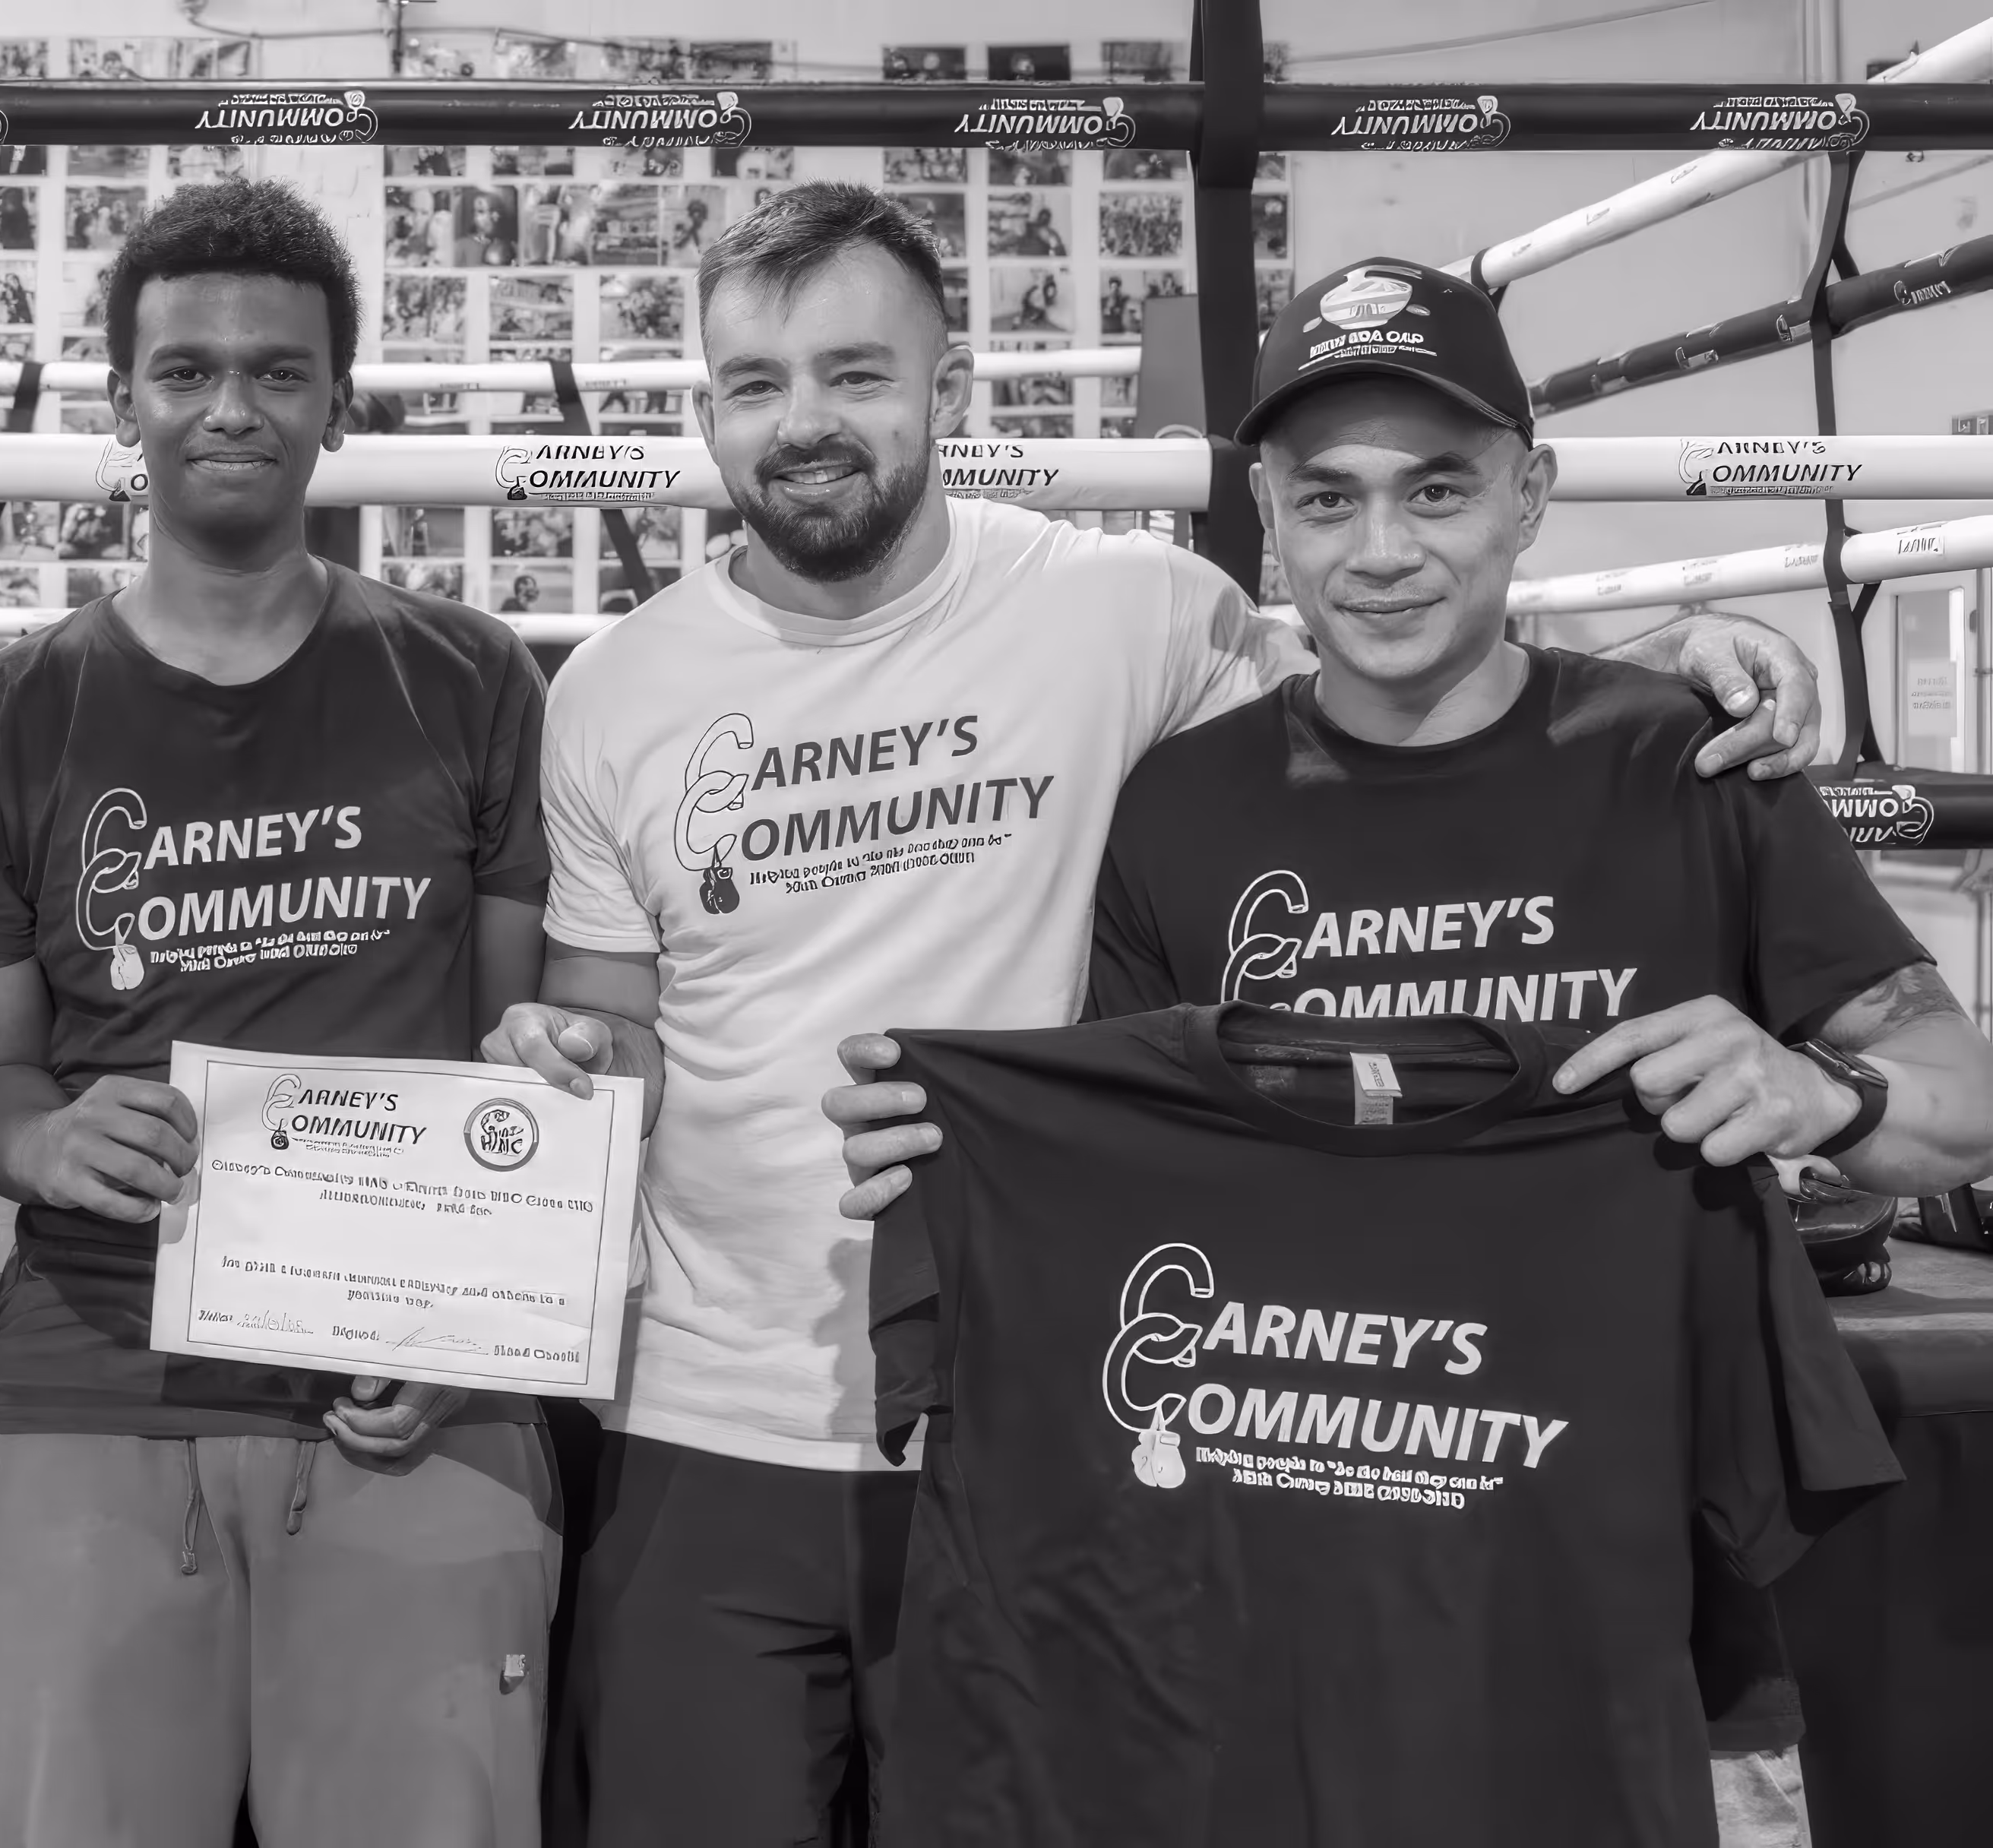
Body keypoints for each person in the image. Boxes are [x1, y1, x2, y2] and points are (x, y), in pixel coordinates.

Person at [483, 188, 1823, 1847]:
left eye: (855, 372)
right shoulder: (614, 687)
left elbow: (1398, 653)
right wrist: (559, 1060)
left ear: (948, 388)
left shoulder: (1127, 608)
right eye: (754, 383)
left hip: (1054, 1415)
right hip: (709, 1412)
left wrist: (1650, 658)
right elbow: (607, 1023)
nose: (805, 422)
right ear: (705, 411)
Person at [824, 255, 1993, 1843]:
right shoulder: (1178, 804)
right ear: (1266, 512)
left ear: (1531, 492)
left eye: (1436, 492)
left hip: (1610, 1626)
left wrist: (1821, 1089)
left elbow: (1963, 1108)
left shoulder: (1688, 759)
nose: (1380, 553)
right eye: (1328, 501)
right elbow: (1130, 1181)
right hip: (1266, 1627)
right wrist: (950, 1153)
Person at [0, 177, 559, 1848]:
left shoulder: (475, 677)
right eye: (185, 368)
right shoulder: (7, 716)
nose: (230, 406)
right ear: (121, 398)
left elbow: (517, 1069)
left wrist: (465, 1335)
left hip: (413, 1393)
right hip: (92, 1388)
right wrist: (49, 1136)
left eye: (277, 372)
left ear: (337, 404)